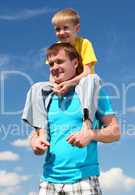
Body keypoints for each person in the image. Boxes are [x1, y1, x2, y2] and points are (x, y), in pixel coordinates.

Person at [23, 43, 121, 195]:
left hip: (83, 180)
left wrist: (91, 134)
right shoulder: (47, 98)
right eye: (51, 64)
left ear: (75, 63)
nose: (54, 67)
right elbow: (36, 134)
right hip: (49, 182)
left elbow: (115, 131)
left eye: (60, 61)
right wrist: (33, 142)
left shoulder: (93, 94)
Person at [24, 8, 102, 141]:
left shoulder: (84, 44)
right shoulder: (56, 47)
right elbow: (52, 75)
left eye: (66, 28)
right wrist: (55, 85)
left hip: (81, 84)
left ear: (76, 28)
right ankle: (41, 131)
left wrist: (69, 83)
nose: (61, 33)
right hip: (63, 84)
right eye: (57, 29)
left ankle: (86, 123)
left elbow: (87, 71)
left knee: (93, 79)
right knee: (37, 87)